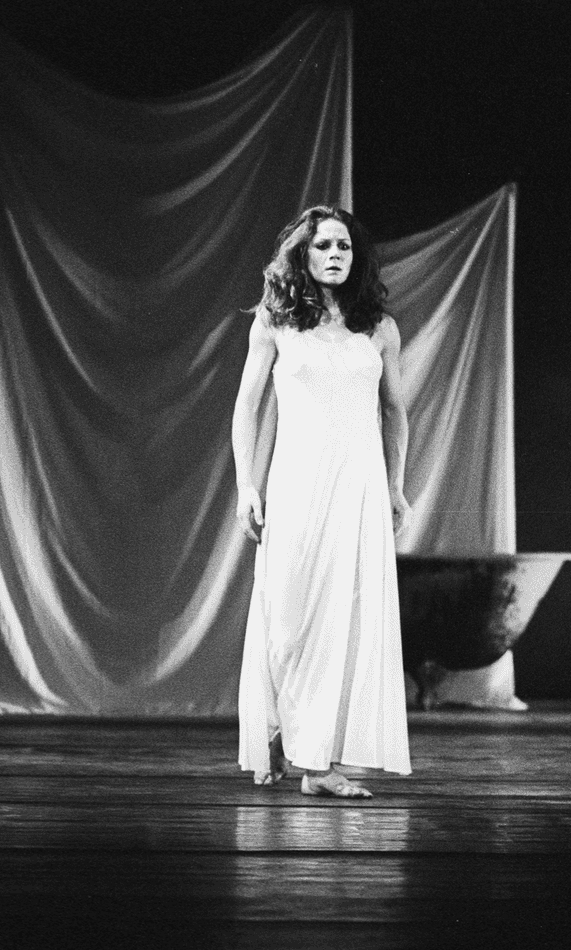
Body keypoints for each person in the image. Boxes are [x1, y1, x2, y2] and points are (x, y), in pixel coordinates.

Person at [231, 206, 413, 796]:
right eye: (323, 246)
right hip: (297, 481)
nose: (336, 255)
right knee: (288, 616)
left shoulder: (378, 328)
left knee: (341, 617)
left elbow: (396, 412)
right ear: (303, 256)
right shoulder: (275, 323)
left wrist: (396, 486)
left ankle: (318, 764)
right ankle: (284, 734)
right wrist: (246, 485)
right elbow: (247, 406)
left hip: (357, 484)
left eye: (344, 247)